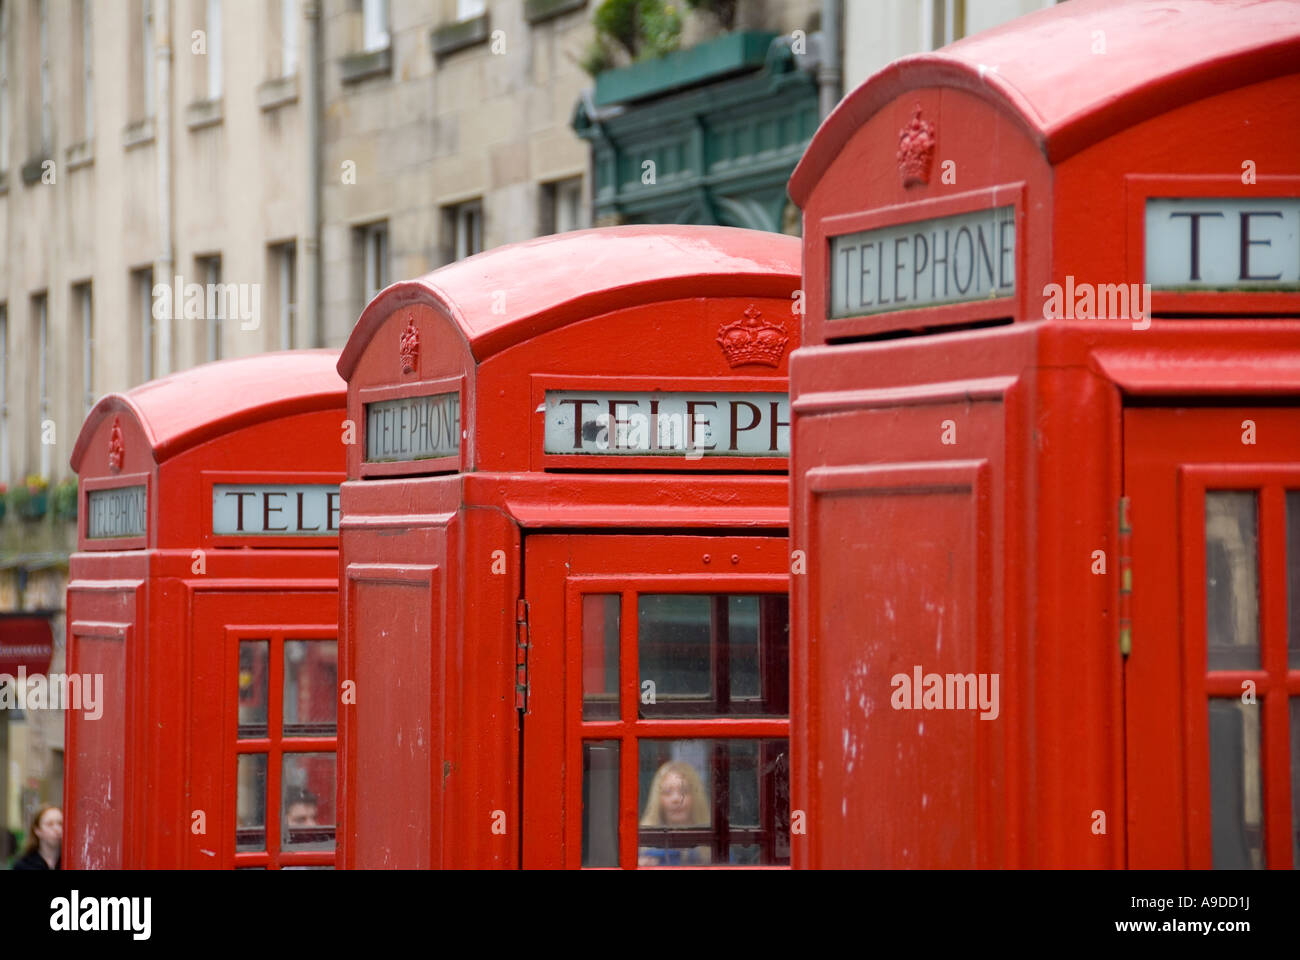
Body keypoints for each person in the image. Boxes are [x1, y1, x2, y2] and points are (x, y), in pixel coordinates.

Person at [637, 761, 711, 866]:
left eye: (684, 791)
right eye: (667, 792)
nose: (676, 799)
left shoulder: (716, 847)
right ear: (657, 800)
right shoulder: (642, 847)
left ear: (696, 797)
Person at [12, 805, 61, 870]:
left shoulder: (72, 861)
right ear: (37, 830)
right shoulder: (24, 865)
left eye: (61, 823)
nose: (57, 829)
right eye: (50, 824)